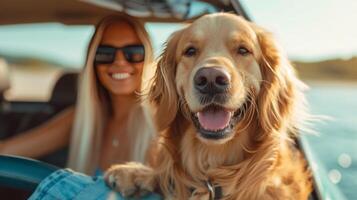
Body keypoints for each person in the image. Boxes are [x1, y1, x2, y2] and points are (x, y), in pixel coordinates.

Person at [0, 14, 157, 175]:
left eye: (133, 52)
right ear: (92, 62)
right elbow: (8, 150)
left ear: (149, 57)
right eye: (105, 53)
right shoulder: (81, 118)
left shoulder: (164, 121)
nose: (119, 61)